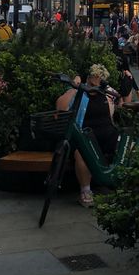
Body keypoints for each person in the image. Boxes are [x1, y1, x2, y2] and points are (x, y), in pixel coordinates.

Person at [56, 64, 120, 207]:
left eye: (100, 78)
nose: (97, 80)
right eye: (95, 77)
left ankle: (121, 185)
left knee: (125, 147)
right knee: (81, 152)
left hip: (108, 133)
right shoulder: (79, 92)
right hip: (87, 135)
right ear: (89, 78)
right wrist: (75, 88)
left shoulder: (106, 93)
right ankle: (85, 191)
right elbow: (60, 107)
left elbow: (119, 100)